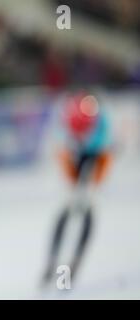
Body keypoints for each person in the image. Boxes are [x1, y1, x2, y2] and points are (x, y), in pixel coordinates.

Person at [41, 92, 113, 289]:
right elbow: (63, 159)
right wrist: (72, 187)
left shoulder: (103, 130)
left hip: (96, 155)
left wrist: (93, 188)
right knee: (67, 206)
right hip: (74, 155)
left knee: (89, 207)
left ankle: (77, 259)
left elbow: (103, 162)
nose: (80, 136)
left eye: (83, 132)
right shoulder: (64, 128)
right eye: (77, 133)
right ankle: (52, 258)